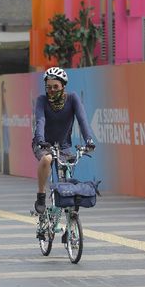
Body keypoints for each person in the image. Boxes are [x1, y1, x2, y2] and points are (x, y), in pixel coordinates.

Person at [32, 67, 95, 214]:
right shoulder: (42, 100)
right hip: (44, 144)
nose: (52, 90)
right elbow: (40, 121)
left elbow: (82, 120)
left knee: (66, 179)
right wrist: (40, 140)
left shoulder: (72, 98)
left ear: (63, 86)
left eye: (56, 87)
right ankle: (41, 195)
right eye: (48, 87)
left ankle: (68, 220)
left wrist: (89, 140)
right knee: (47, 159)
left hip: (63, 146)